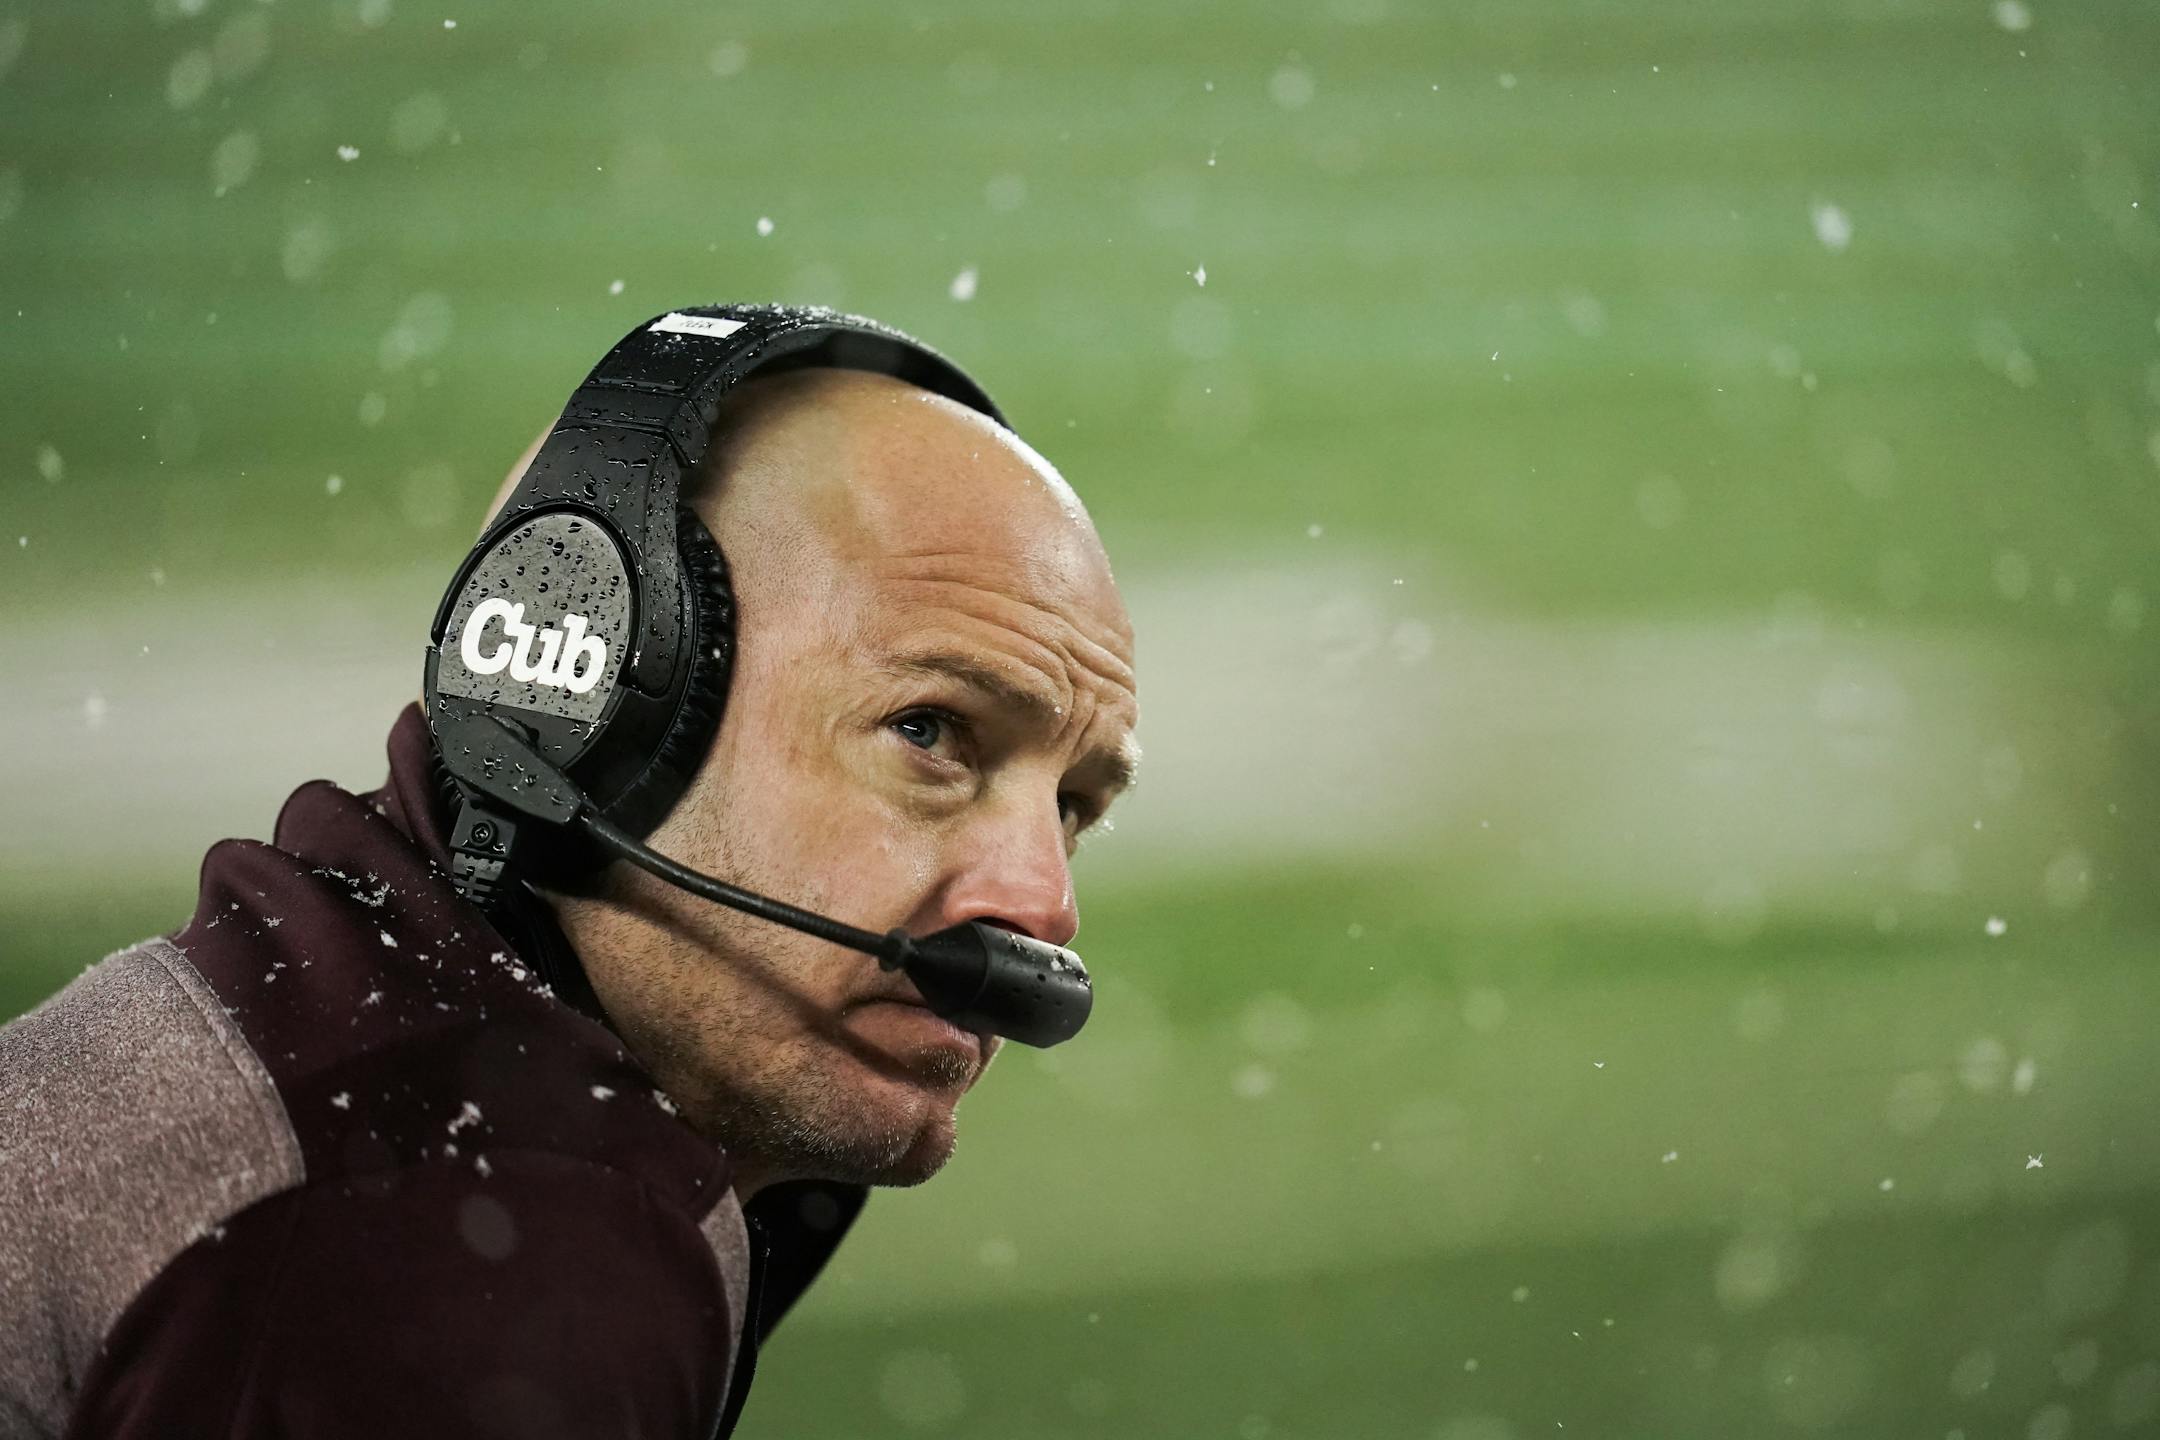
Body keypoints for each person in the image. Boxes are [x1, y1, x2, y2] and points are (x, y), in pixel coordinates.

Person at [0, 347, 1141, 1438]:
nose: (1042, 904)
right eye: (930, 732)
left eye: (1074, 808)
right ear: (590, 715)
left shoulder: (341, 1036)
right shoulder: (473, 1264)